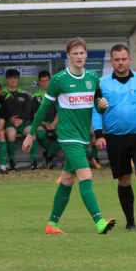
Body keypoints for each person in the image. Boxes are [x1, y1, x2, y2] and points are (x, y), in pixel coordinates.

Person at [23, 37, 116, 235]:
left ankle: (52, 224)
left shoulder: (92, 77)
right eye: (75, 53)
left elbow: (98, 107)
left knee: (67, 179)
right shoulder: (59, 80)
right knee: (86, 174)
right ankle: (99, 222)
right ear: (68, 56)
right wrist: (30, 134)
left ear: (86, 55)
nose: (79, 56)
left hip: (83, 136)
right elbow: (43, 108)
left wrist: (102, 106)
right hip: (67, 135)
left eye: (82, 53)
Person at [92, 44, 136, 232]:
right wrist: (99, 135)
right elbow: (97, 110)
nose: (121, 62)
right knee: (124, 179)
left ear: (129, 60)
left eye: (124, 59)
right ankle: (130, 222)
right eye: (117, 59)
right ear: (112, 62)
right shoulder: (102, 83)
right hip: (115, 137)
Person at [1, 69, 36, 171]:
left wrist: (22, 119)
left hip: (24, 122)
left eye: (15, 78)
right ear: (7, 79)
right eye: (10, 78)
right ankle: (13, 163)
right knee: (11, 134)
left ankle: (34, 162)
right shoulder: (2, 94)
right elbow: (1, 110)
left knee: (31, 132)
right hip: (9, 123)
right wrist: (10, 119)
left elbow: (29, 109)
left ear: (18, 79)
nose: (12, 80)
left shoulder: (24, 94)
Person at [31, 70, 61, 170]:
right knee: (39, 134)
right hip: (42, 123)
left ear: (50, 80)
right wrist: (45, 124)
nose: (44, 83)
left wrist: (53, 123)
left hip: (55, 122)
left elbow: (60, 112)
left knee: (64, 134)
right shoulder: (36, 96)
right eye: (42, 81)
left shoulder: (56, 95)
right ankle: (51, 154)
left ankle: (48, 154)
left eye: (47, 80)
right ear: (39, 82)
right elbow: (36, 114)